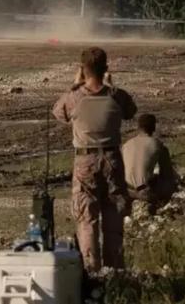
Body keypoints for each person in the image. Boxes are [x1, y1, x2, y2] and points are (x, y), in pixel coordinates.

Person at [52, 47, 137, 272]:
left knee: (86, 218)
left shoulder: (74, 98)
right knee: (113, 217)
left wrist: (76, 84)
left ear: (82, 69)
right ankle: (115, 269)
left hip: (85, 160)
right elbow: (131, 111)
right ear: (106, 69)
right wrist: (111, 85)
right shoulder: (117, 96)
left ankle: (91, 271)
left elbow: (58, 113)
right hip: (112, 158)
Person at [122, 114, 178, 211]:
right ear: (154, 127)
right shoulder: (157, 145)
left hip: (126, 189)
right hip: (144, 191)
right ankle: (160, 204)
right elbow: (167, 172)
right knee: (170, 182)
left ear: (138, 127)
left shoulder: (126, 145)